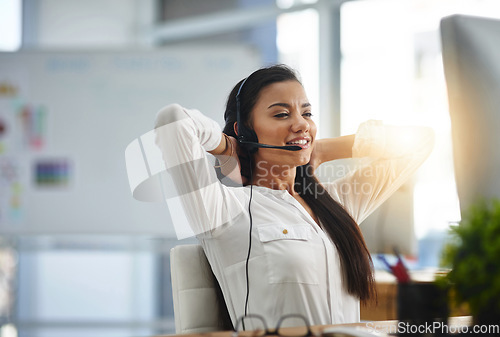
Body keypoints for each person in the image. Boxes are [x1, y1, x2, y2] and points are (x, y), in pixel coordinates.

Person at [154, 64, 434, 329]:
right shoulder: (225, 210)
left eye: (307, 114)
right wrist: (230, 146)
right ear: (246, 131)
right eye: (281, 114)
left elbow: (422, 142)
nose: (301, 124)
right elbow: (173, 122)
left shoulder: (336, 203)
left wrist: (322, 149)